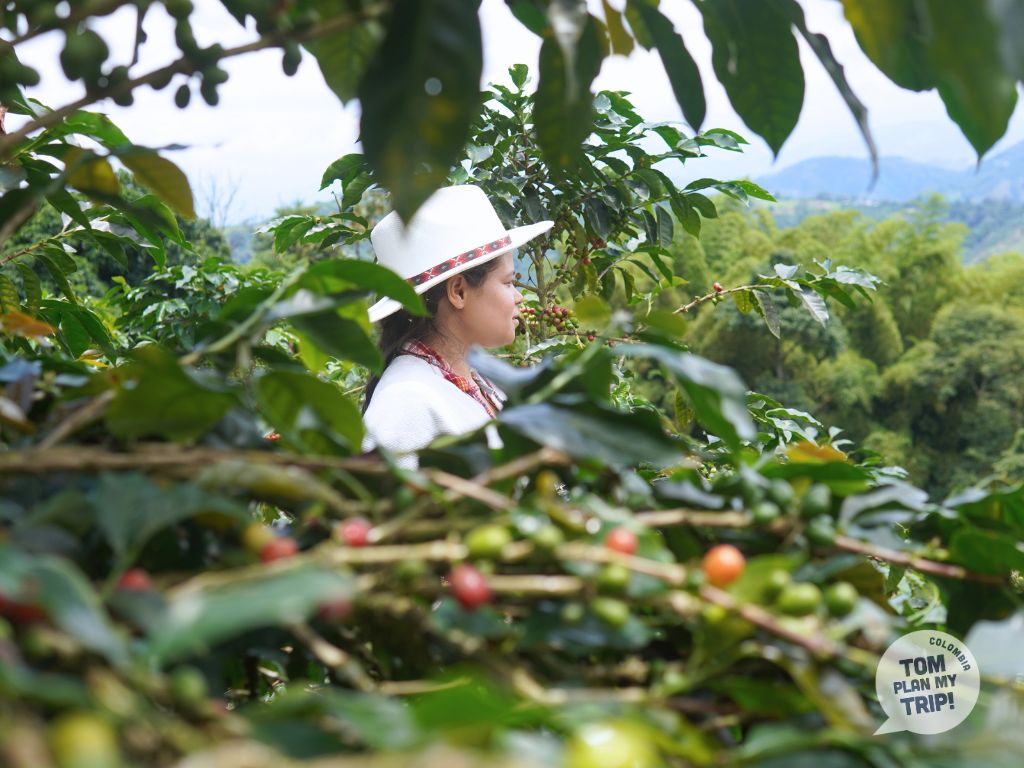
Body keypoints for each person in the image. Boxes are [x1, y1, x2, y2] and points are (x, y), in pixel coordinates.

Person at [361, 184, 553, 468]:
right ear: (459, 292)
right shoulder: (406, 402)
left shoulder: (472, 380)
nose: (518, 296)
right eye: (508, 282)